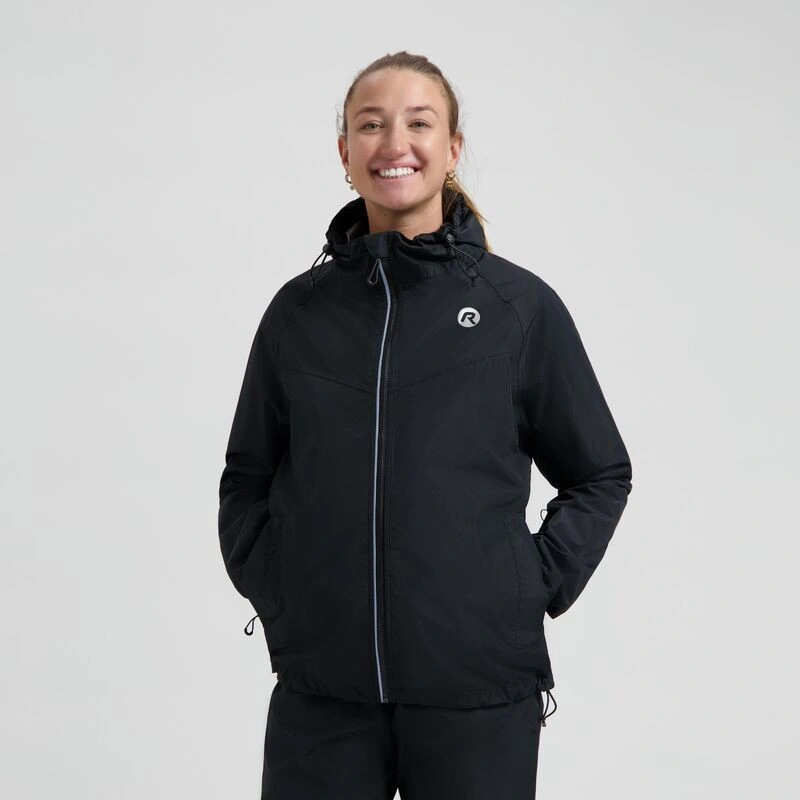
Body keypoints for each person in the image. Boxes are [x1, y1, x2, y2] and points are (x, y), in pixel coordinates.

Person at [218, 50, 633, 799]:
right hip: (323, 692)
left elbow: (599, 471)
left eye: (418, 123)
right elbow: (247, 475)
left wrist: (525, 585)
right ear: (345, 153)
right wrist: (279, 589)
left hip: (477, 690)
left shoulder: (516, 310)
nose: (394, 143)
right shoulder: (298, 314)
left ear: (451, 148)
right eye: (370, 125)